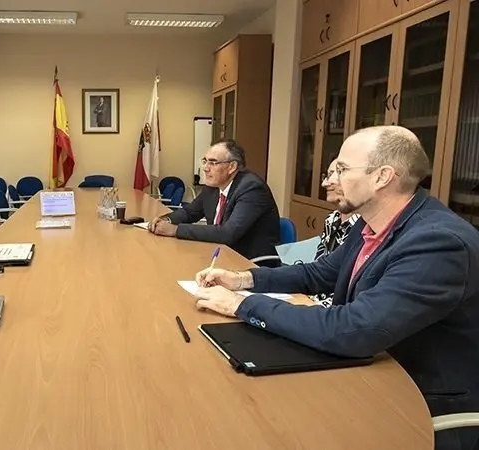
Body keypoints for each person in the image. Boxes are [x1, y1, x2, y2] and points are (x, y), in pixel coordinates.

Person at [194, 126, 479, 450]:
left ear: (382, 177)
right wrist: (245, 279)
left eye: (342, 169)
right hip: (369, 369)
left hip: (419, 404)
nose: (328, 179)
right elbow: (322, 273)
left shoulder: (438, 243)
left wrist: (239, 305)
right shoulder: (373, 221)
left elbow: (354, 329)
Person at [149, 139, 281, 264]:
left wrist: (175, 230)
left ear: (232, 167)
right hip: (218, 255)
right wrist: (166, 220)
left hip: (248, 263)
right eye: (205, 161)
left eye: (213, 163)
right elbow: (190, 212)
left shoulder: (252, 188)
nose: (206, 168)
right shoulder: (214, 186)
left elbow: (228, 233)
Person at [311, 158, 360, 307]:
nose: (325, 183)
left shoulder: (365, 227)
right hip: (315, 297)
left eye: (336, 174)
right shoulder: (331, 219)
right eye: (327, 175)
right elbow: (319, 267)